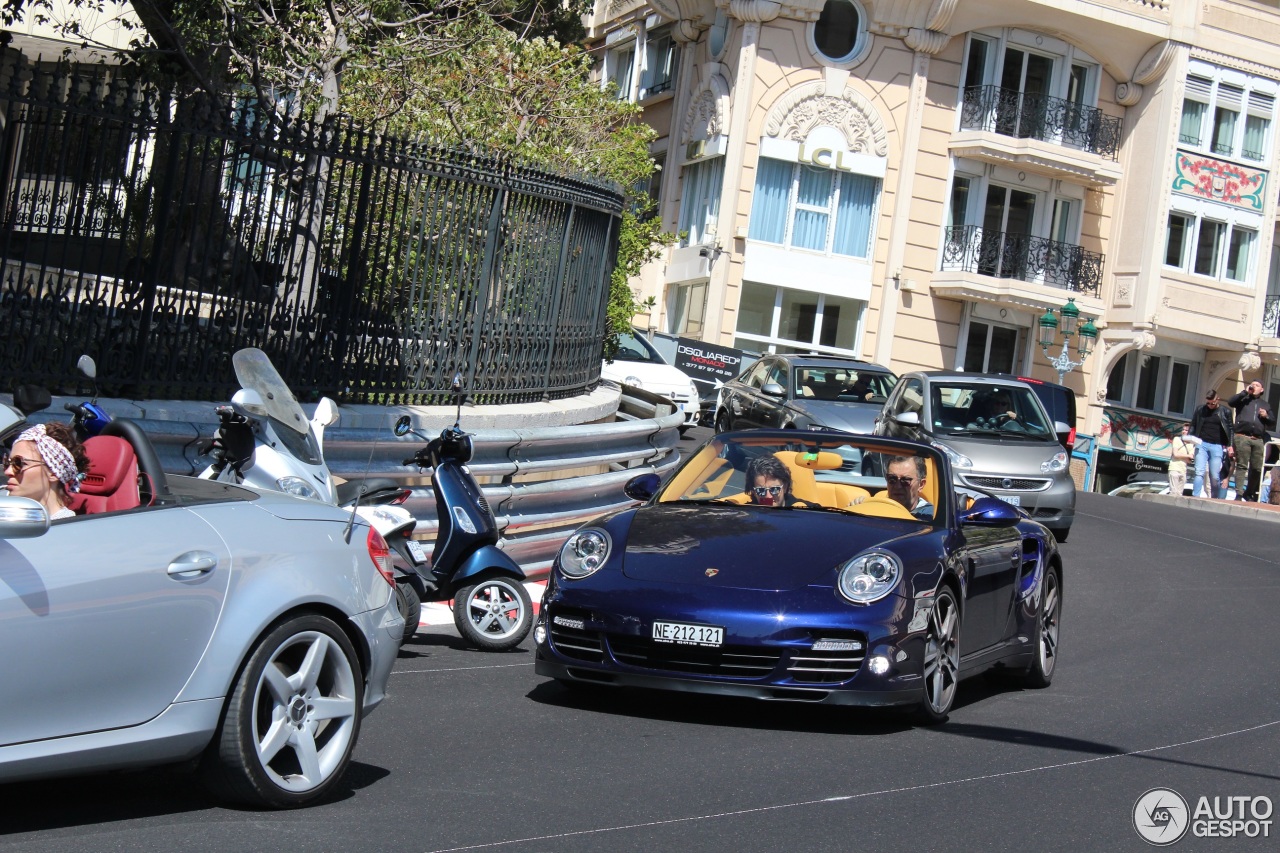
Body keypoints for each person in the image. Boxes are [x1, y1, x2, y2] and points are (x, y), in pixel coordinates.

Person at [3, 422, 89, 519]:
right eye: (7, 462)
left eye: (19, 463)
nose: (8, 472)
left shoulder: (68, 529)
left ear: (53, 473)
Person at [1227, 380, 1273, 502]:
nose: (1254, 386)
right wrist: (1244, 392)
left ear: (1262, 390)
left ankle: (1249, 492)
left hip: (1258, 439)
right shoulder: (1243, 399)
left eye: (1257, 385)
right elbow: (1231, 402)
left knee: (1257, 468)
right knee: (1242, 465)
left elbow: (1272, 421)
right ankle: (1239, 493)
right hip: (1242, 436)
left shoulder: (1265, 404)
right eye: (1252, 384)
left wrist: (1266, 416)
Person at [1190, 390, 1233, 498]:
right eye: (1208, 403)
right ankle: (1196, 496)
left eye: (1212, 403)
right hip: (1201, 443)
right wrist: (1190, 439)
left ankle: (1214, 497)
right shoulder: (1200, 409)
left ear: (1217, 399)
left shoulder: (1225, 412)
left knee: (1214, 475)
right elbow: (1193, 425)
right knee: (1199, 472)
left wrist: (1230, 445)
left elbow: (1231, 430)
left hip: (1217, 445)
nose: (1210, 405)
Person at [744, 454, 808, 507]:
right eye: (761, 491)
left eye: (774, 489)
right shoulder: (747, 514)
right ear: (754, 492)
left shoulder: (807, 512)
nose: (768, 497)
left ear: (785, 487)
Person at [884, 455, 933, 520]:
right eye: (892, 479)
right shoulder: (875, 510)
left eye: (905, 480)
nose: (898, 486)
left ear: (921, 485)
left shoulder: (931, 517)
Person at [1167, 424, 1197, 498]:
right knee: (1173, 493)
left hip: (1183, 470)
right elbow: (1175, 454)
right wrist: (1187, 456)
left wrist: (1185, 456)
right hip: (1174, 468)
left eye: (1186, 430)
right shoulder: (1177, 439)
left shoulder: (1192, 444)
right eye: (1183, 429)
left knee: (1179, 494)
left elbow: (1190, 460)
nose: (1184, 431)